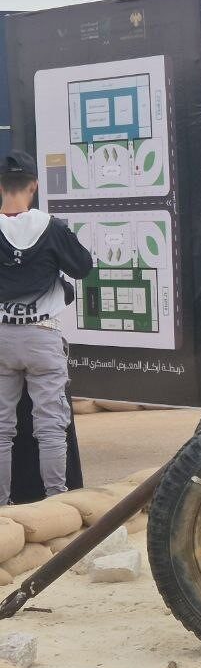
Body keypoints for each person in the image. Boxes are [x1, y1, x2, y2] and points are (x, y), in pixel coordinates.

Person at [0, 150, 93, 505]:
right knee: (51, 427)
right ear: (34, 187)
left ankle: (4, 509)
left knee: (2, 430)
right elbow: (83, 267)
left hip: (3, 338)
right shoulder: (53, 227)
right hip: (43, 336)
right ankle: (57, 503)